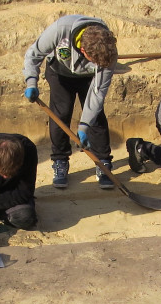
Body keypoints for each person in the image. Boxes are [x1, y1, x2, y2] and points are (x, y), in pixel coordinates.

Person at [22, 15, 118, 189]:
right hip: (59, 72)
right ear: (83, 51)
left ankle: (103, 162)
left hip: (88, 78)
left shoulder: (108, 51)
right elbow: (33, 54)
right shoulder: (60, 30)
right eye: (93, 61)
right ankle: (60, 161)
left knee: (96, 117)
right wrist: (31, 81)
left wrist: (84, 126)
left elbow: (97, 93)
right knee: (61, 113)